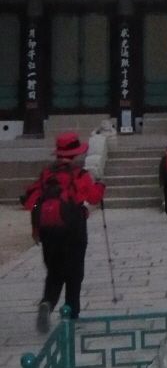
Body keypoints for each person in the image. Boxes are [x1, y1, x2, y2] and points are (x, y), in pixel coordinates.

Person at [21, 131, 105, 332]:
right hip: (73, 229)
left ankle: (47, 303)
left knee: (54, 272)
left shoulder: (46, 174)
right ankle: (71, 316)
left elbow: (32, 201)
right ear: (75, 153)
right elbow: (93, 197)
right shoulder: (79, 174)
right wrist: (101, 186)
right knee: (74, 274)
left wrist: (36, 229)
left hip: (48, 231)